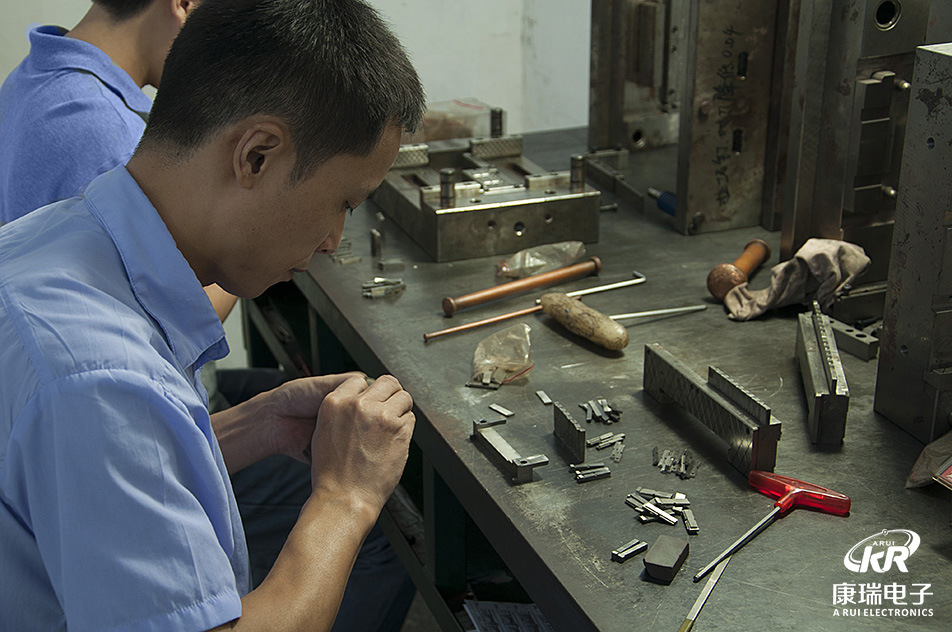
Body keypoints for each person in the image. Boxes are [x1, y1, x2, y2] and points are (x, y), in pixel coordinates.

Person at [0, 0, 425, 629]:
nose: (335, 240)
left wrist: (256, 424)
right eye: (343, 202)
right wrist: (347, 498)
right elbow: (107, 412)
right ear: (256, 156)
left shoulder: (53, 241)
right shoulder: (102, 380)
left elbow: (102, 476)